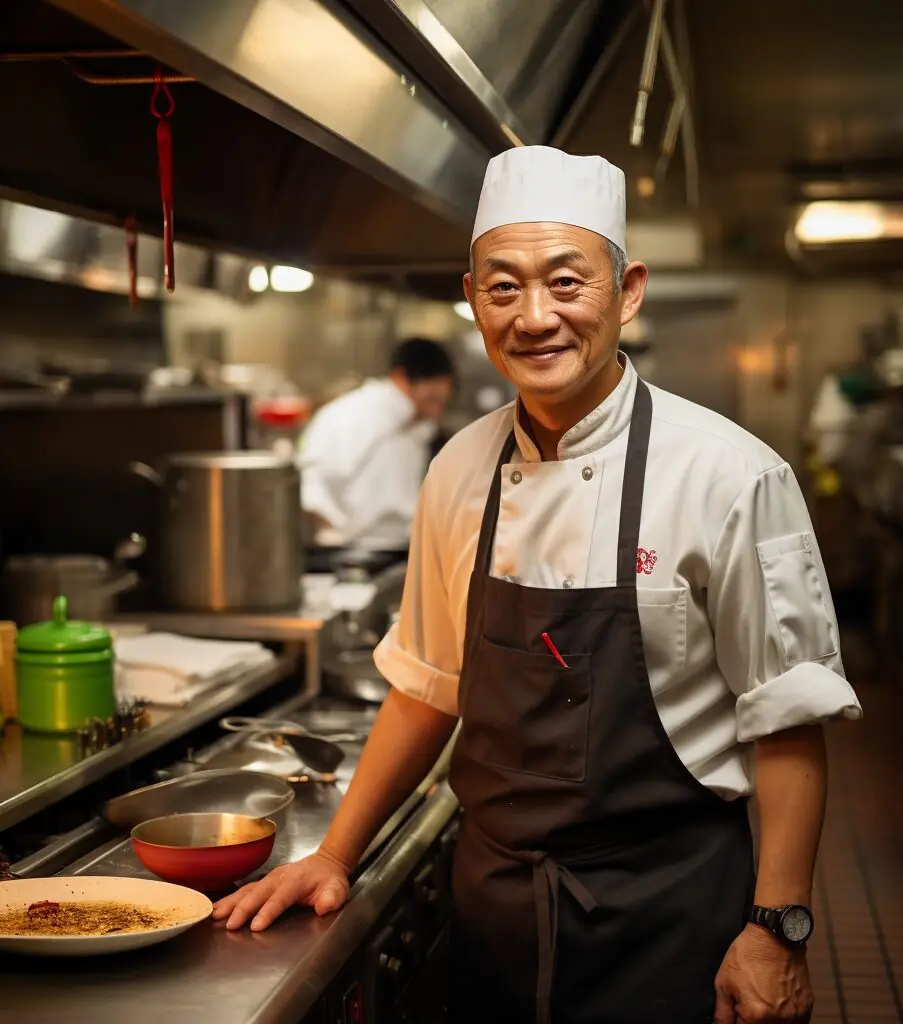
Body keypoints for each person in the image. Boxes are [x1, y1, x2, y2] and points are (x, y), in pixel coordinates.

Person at [214, 146, 862, 1024]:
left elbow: (788, 724)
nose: (536, 317)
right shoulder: (457, 470)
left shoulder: (729, 476)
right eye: (504, 287)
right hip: (494, 911)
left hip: (670, 916)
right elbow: (424, 688)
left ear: (626, 292)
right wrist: (334, 853)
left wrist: (777, 929)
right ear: (473, 297)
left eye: (567, 282)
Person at [300, 337, 455, 549]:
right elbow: (311, 483)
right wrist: (332, 532)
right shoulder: (354, 415)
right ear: (400, 377)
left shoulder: (414, 424)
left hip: (397, 548)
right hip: (353, 551)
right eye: (433, 391)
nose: (441, 400)